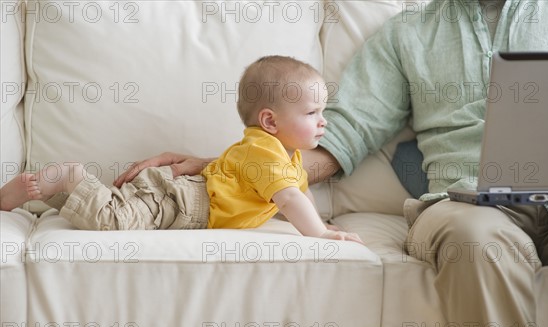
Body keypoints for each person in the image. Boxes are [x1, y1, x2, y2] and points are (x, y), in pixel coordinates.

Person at [103, 1, 548, 327]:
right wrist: (225, 165)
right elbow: (337, 138)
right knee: (474, 241)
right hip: (470, 205)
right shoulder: (409, 34)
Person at [0, 56, 362, 243]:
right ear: (270, 121)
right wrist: (320, 234)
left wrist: (321, 223)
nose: (323, 121)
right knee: (115, 222)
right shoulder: (265, 151)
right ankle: (71, 176)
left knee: (109, 212)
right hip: (186, 202)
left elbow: (299, 195)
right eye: (312, 113)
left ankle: (46, 189)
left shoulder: (287, 157)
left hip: (186, 195)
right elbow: (289, 200)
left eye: (323, 112)